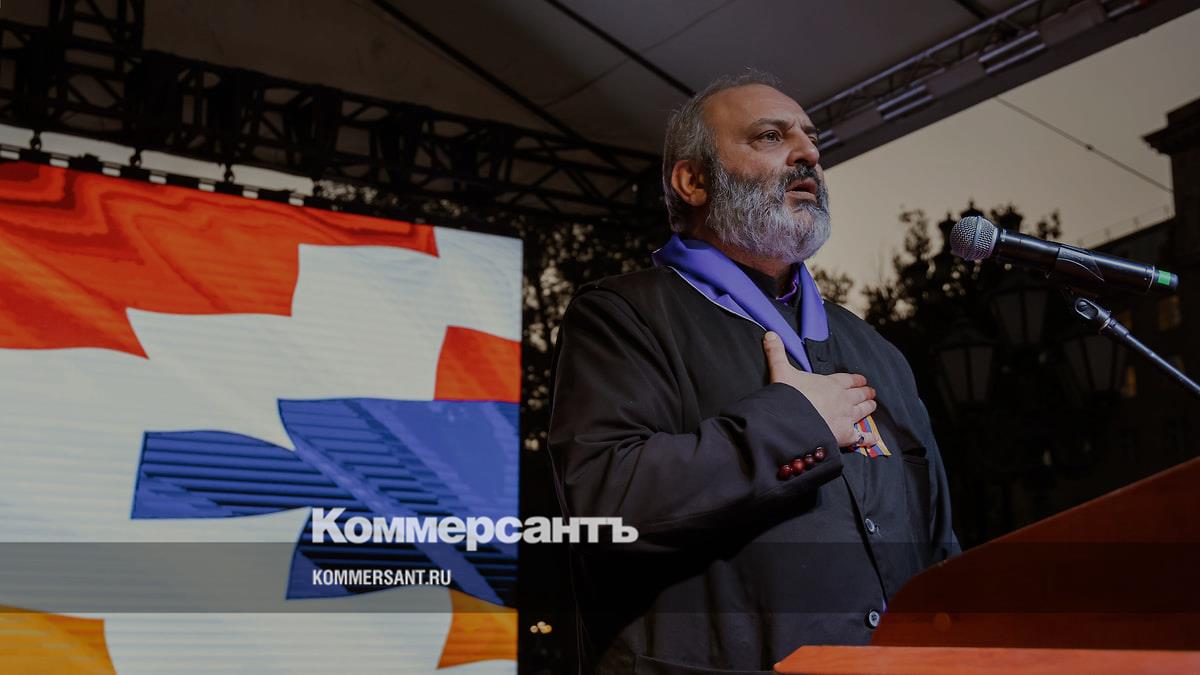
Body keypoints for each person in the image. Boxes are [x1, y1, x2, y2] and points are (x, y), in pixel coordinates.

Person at [547, 71, 959, 674]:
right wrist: (796, 424)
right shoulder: (624, 316)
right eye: (771, 136)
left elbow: (940, 544)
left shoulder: (873, 348)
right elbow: (603, 507)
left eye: (812, 139)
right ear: (693, 181)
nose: (808, 154)